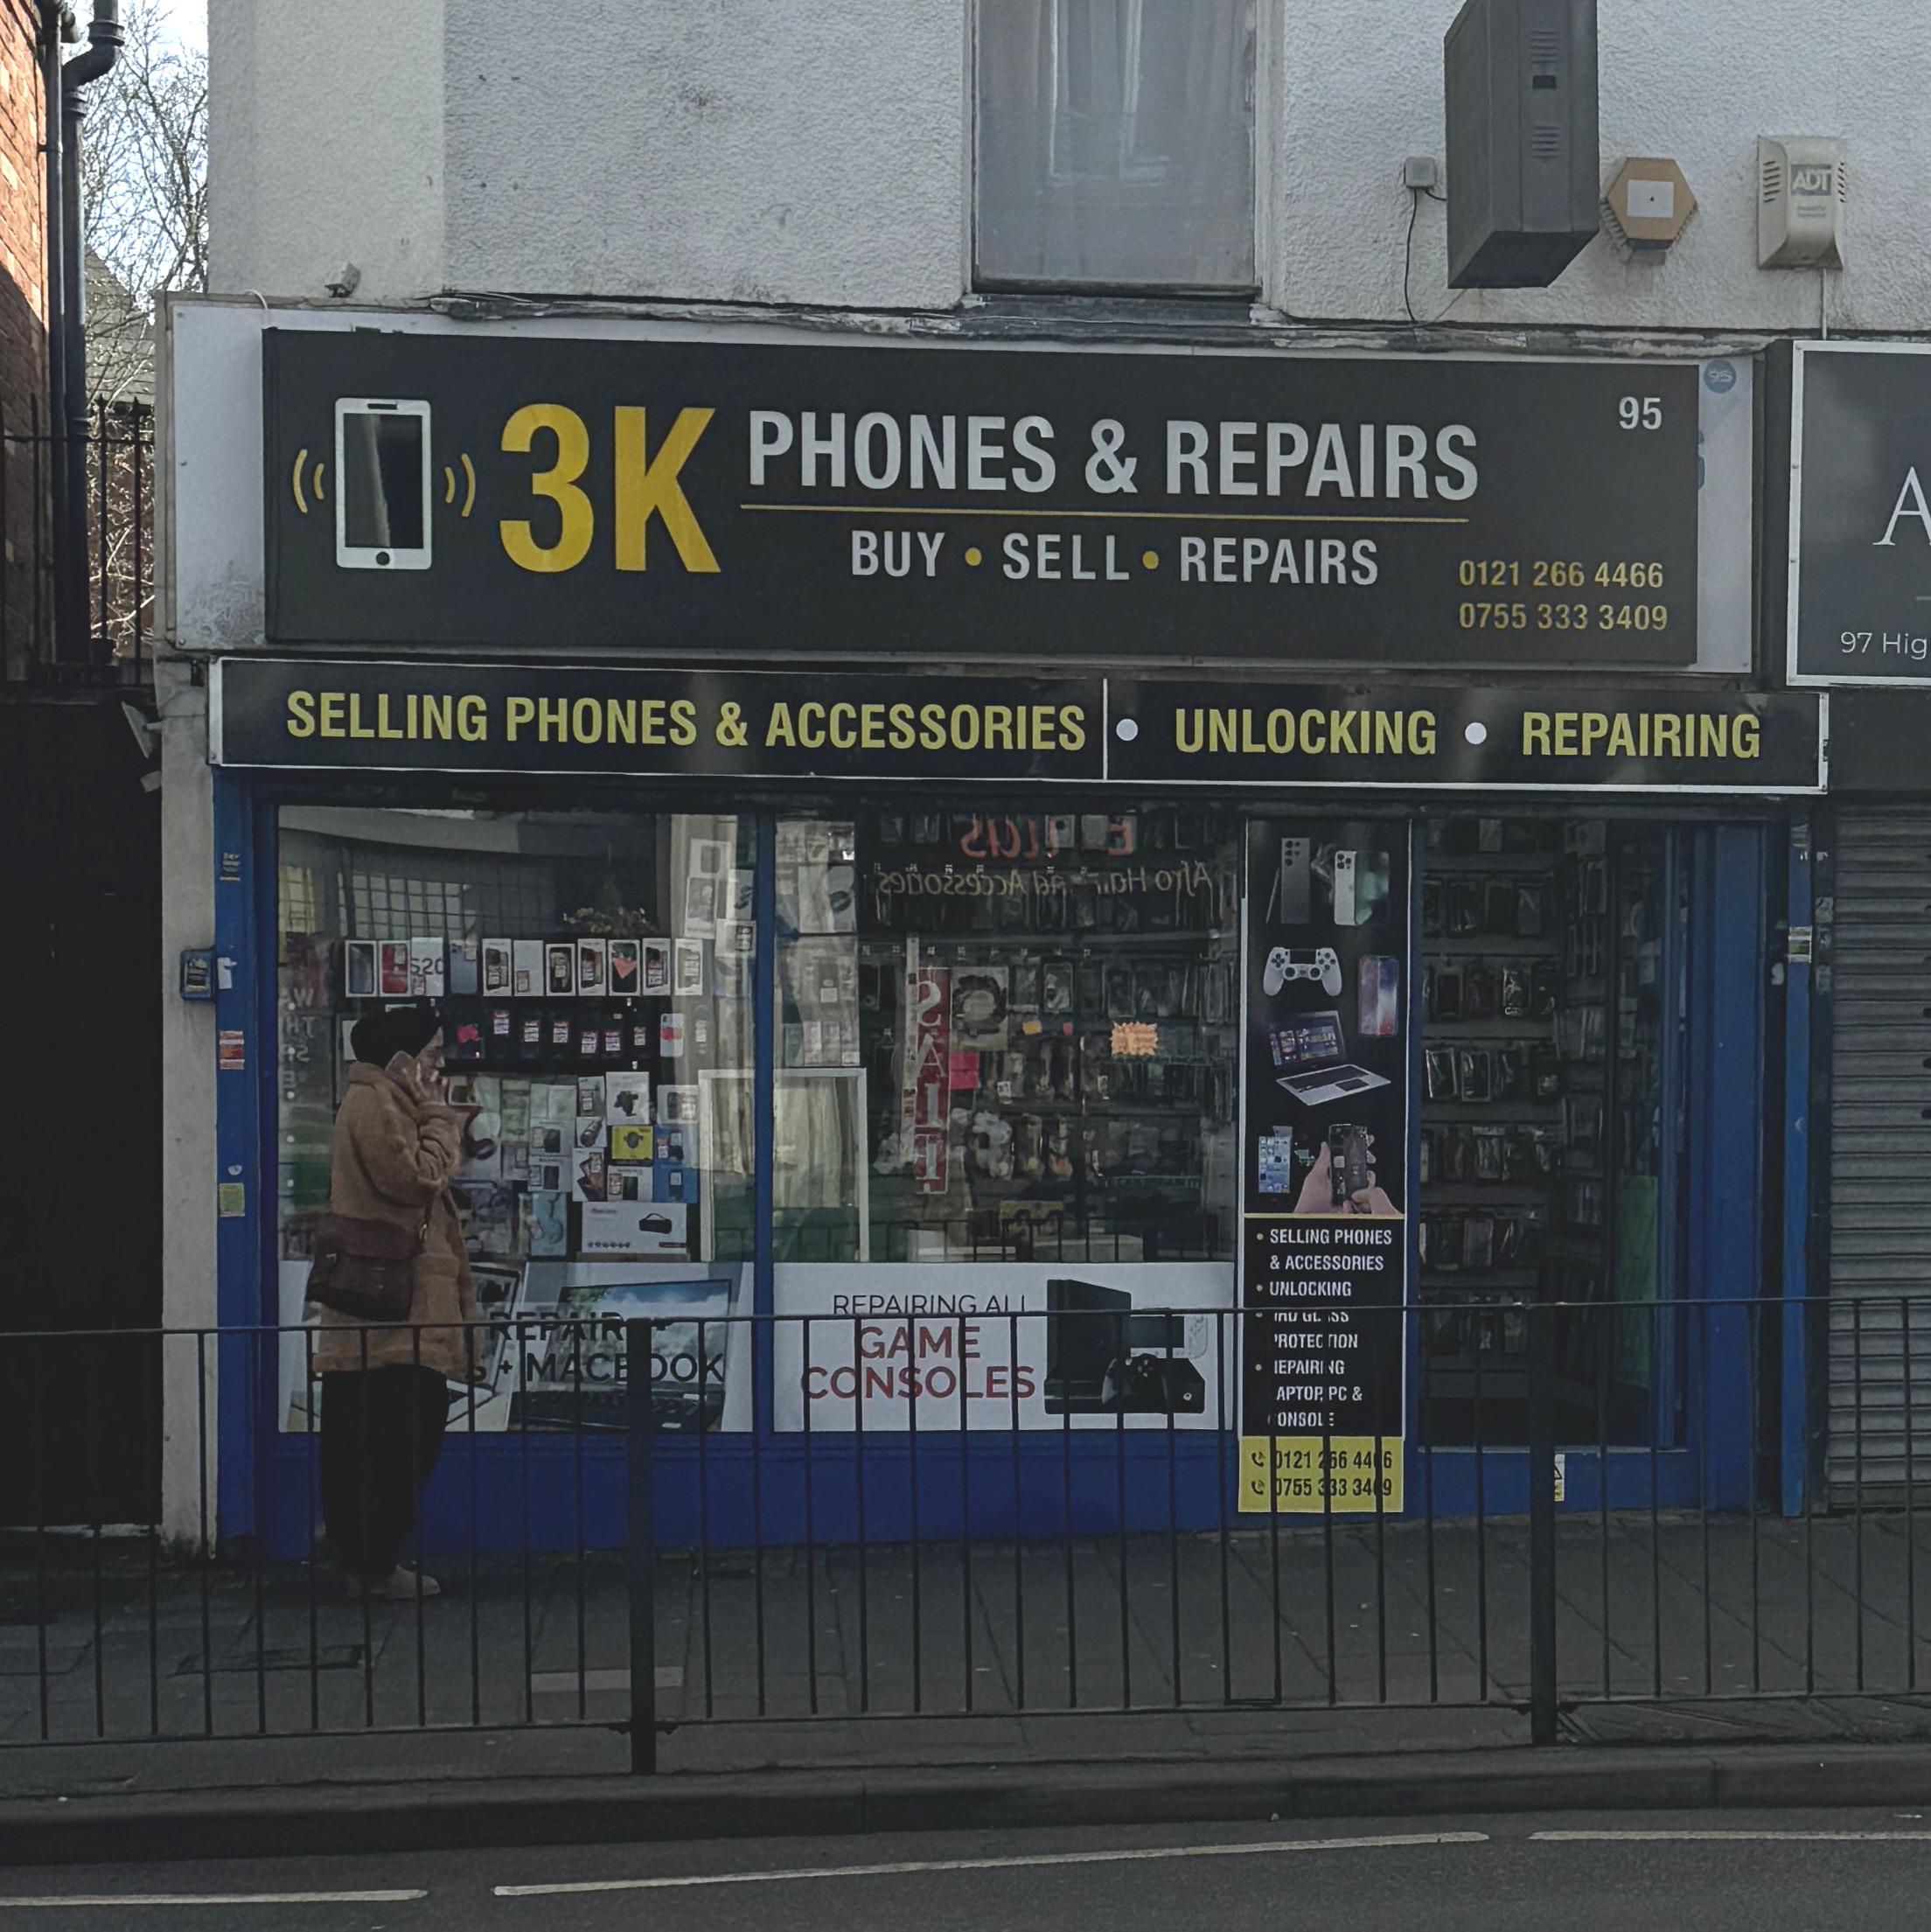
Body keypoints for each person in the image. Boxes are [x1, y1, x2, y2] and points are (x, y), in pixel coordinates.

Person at [315, 1005, 479, 1600]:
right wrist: (440, 1119)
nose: (438, 1065)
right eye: (432, 1053)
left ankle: (361, 1550)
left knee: (384, 1430)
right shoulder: (378, 1103)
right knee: (402, 1433)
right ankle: (373, 1560)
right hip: (392, 1307)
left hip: (395, 1308)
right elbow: (415, 1179)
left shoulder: (382, 1101)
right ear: (403, 1059)